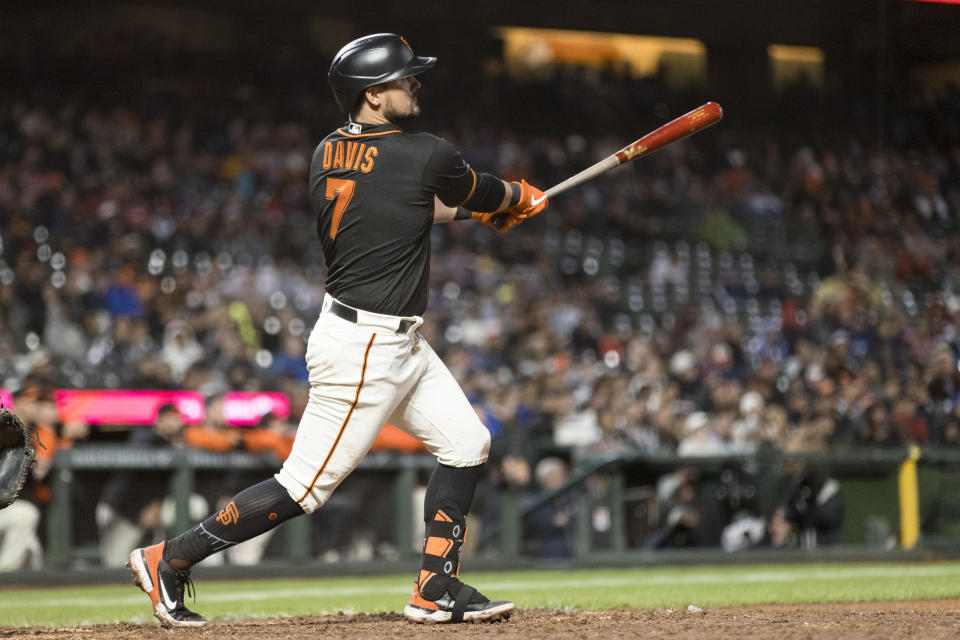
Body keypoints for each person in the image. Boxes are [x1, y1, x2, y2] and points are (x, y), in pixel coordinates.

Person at [127, 33, 548, 627]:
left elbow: (408, 203)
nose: (415, 85)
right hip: (366, 346)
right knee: (303, 487)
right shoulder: (426, 151)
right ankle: (168, 558)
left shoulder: (327, 150)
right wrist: (515, 198)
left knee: (466, 443)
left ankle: (435, 586)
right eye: (404, 80)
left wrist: (487, 209)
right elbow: (475, 189)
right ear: (372, 96)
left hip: (388, 338)